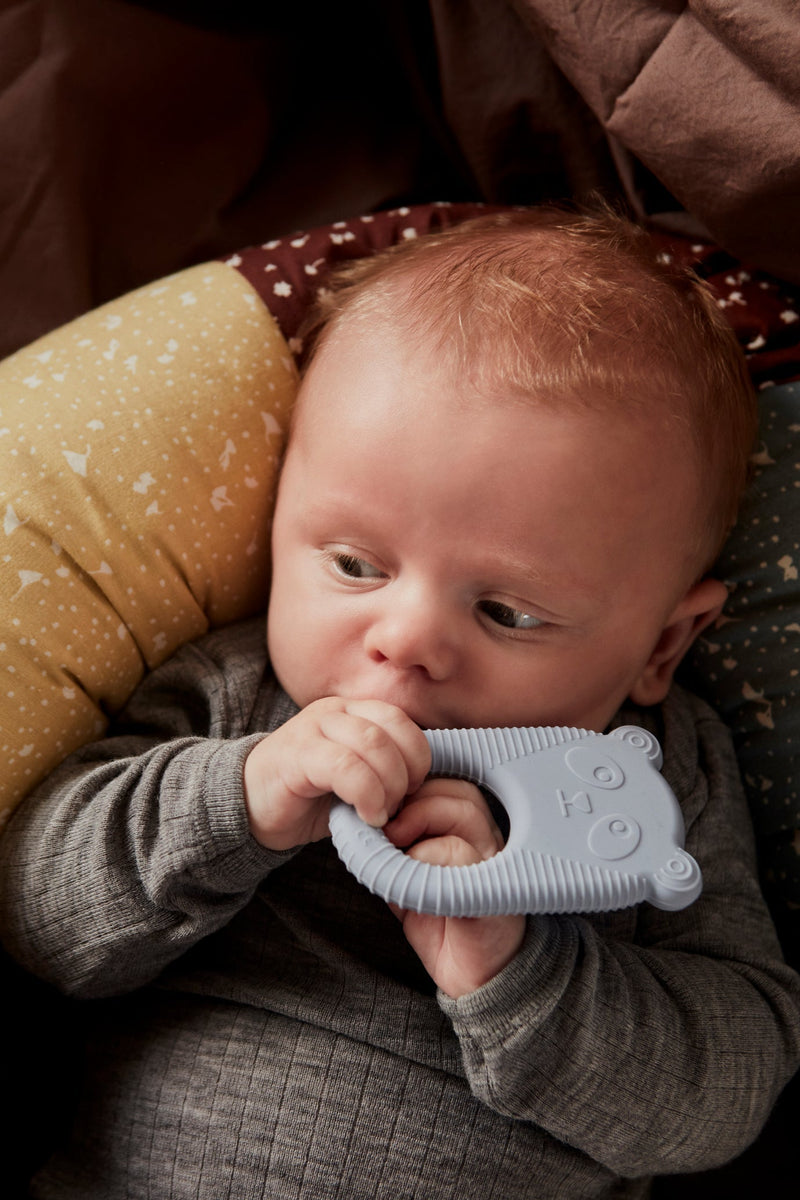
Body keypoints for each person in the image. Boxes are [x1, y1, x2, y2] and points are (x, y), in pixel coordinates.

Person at [1, 208, 798, 1199]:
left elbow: (723, 1091)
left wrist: (517, 971)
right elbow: (38, 921)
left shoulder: (657, 775)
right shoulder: (242, 696)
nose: (405, 639)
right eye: (353, 564)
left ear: (661, 644)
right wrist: (235, 800)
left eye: (506, 611)